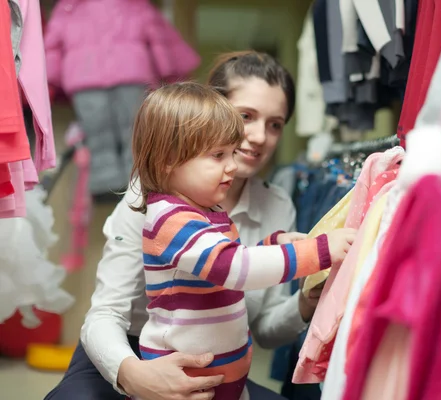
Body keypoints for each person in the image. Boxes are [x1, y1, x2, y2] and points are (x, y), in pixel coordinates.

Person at [45, 52, 332, 400]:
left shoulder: (277, 205)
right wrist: (135, 375)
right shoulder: (150, 198)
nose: (259, 137)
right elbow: (106, 313)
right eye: (246, 117)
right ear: (211, 113)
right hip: (130, 350)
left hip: (214, 365)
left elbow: (265, 328)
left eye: (275, 124)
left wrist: (305, 302)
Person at [129, 82, 354, 400]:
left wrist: (272, 245)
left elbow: (226, 259)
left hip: (224, 382)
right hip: (181, 387)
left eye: (231, 153)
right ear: (169, 160)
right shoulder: (170, 219)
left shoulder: (207, 209)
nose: (232, 166)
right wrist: (318, 251)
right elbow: (234, 268)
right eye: (218, 155)